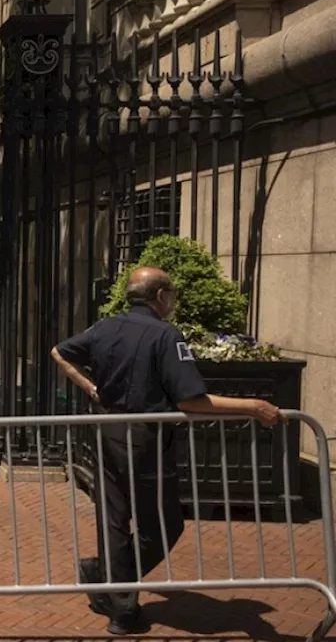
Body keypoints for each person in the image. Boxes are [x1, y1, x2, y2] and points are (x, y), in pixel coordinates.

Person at [51, 266, 284, 635]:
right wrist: (253, 407)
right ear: (160, 296)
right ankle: (117, 596)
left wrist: (91, 388)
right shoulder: (165, 334)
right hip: (145, 437)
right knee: (163, 523)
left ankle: (111, 590)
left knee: (113, 518)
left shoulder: (106, 327)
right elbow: (193, 400)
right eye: (171, 293)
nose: (173, 299)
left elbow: (59, 351)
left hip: (107, 430)